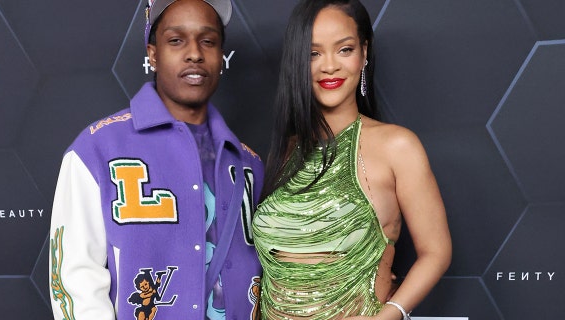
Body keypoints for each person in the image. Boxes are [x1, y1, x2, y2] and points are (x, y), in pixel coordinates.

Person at [48, 1, 264, 319]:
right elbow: (74, 278)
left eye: (208, 41)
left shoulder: (249, 163)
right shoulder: (97, 148)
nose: (194, 53)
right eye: (176, 40)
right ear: (152, 54)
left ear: (220, 57)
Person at [252, 0, 452, 319]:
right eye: (313, 53)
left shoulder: (397, 146)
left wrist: (391, 313)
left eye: (343, 49)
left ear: (364, 52)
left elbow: (436, 252)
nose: (329, 66)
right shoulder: (285, 151)